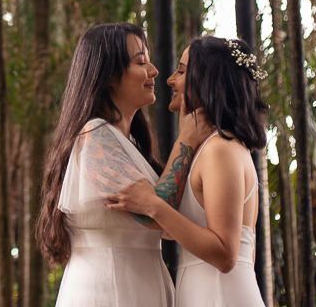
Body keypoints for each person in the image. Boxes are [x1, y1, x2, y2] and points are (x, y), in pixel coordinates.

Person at [38, 23, 212, 307]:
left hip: (139, 284)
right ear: (108, 75)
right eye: (141, 62)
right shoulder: (94, 135)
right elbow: (153, 215)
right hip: (109, 288)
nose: (154, 71)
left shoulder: (126, 143)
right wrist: (187, 141)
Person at [106, 36, 268, 307]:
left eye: (181, 71)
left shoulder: (220, 150)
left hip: (220, 296)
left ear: (208, 79)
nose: (170, 79)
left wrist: (153, 205)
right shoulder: (212, 148)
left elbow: (227, 254)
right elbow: (180, 230)